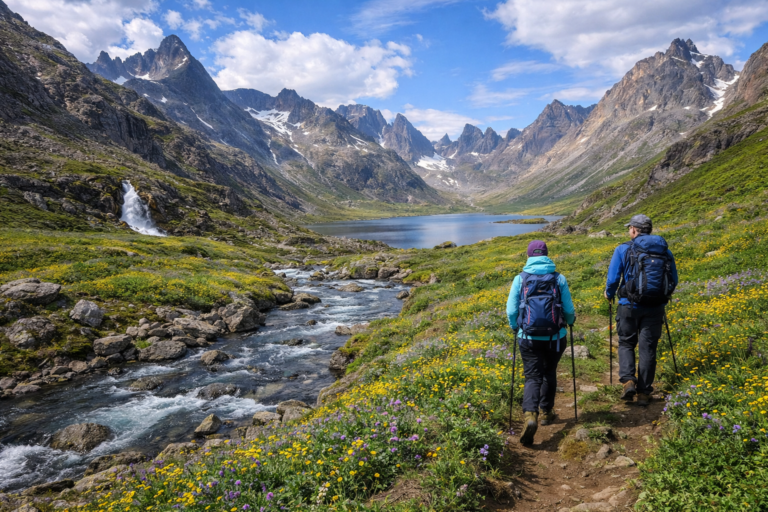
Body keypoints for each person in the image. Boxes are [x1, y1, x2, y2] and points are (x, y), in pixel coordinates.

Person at [507, 240, 576, 445]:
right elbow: (569, 309)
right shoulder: (558, 278)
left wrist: (515, 326)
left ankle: (530, 415)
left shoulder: (520, 279)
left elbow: (511, 311)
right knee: (549, 372)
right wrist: (569, 323)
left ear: (528, 256)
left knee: (532, 376)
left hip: (528, 337)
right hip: (555, 337)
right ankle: (547, 412)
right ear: (546, 255)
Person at [604, 214, 678, 406]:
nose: (629, 231)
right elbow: (673, 280)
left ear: (634, 230)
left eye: (629, 228)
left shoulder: (623, 249)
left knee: (626, 343)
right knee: (648, 348)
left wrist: (609, 294)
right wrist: (662, 296)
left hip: (628, 305)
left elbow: (613, 279)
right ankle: (644, 392)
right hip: (655, 308)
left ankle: (628, 381)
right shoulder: (664, 252)